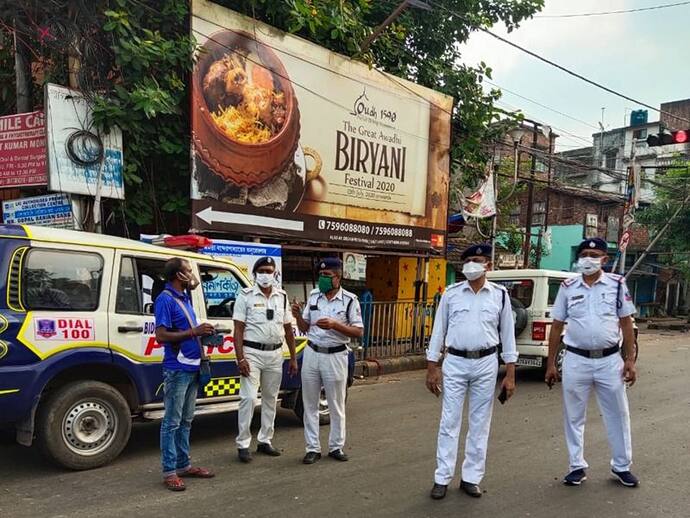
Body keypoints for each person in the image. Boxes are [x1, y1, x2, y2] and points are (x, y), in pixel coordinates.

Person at [545, 237, 639, 488]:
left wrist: (629, 360)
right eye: (584, 254)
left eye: (594, 255)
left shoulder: (617, 285)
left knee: (618, 414)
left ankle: (622, 466)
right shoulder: (568, 287)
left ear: (604, 260)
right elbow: (556, 326)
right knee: (573, 415)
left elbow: (626, 324)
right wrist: (551, 363)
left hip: (610, 360)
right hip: (576, 359)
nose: (588, 259)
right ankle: (576, 466)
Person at [426, 243, 517, 500]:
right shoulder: (452, 294)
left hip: (487, 363)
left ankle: (471, 477)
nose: (471, 266)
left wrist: (510, 375)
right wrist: (432, 367)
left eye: (477, 260)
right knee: (449, 421)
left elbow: (508, 337)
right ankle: (442, 477)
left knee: (480, 423)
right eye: (468, 261)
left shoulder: (499, 295)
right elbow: (438, 332)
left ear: (488, 265)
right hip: (454, 361)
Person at [291, 257, 363, 464]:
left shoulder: (350, 300)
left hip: (336, 355)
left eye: (327, 276)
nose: (322, 279)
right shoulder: (314, 296)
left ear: (337, 278)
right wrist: (297, 316)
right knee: (309, 404)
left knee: (336, 404)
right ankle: (312, 448)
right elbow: (305, 328)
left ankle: (336, 447)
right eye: (320, 275)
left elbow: (358, 331)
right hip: (312, 353)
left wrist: (335, 325)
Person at [155, 257, 216, 491]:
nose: (192, 274)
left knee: (186, 420)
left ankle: (183, 465)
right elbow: (161, 335)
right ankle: (170, 471)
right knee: (172, 422)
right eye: (188, 271)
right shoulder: (165, 300)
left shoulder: (183, 297)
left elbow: (194, 286)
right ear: (178, 275)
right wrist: (194, 331)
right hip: (177, 368)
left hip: (192, 366)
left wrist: (202, 332)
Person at [233, 257, 298, 463]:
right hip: (251, 353)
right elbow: (238, 329)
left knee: (271, 399)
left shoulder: (282, 297)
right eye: (261, 270)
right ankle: (243, 443)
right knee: (249, 398)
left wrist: (293, 358)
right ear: (255, 273)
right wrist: (240, 358)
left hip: (275, 354)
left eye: (269, 270)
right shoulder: (245, 296)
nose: (265, 274)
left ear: (275, 273)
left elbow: (288, 330)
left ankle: (265, 440)